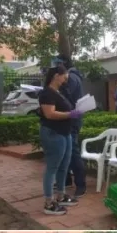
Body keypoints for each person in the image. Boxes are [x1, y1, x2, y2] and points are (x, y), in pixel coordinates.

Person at [39, 64, 84, 216]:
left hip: (65, 133)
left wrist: (75, 111)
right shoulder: (47, 93)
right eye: (64, 75)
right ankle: (48, 202)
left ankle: (61, 195)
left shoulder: (60, 92)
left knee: (64, 166)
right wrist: (70, 115)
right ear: (56, 76)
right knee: (53, 167)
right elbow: (49, 114)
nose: (66, 77)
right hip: (53, 134)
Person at [53, 55, 87, 198]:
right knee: (63, 151)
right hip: (67, 117)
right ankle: (66, 180)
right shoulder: (71, 77)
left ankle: (81, 185)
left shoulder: (72, 78)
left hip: (71, 119)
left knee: (72, 152)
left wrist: (54, 90)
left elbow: (66, 97)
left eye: (58, 65)